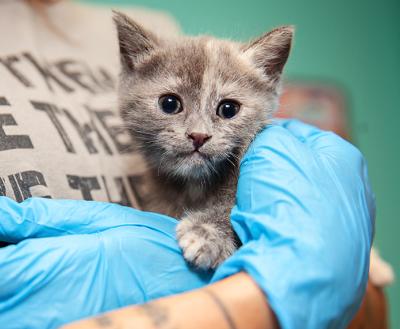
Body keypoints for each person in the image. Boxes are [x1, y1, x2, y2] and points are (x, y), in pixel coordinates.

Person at [0, 1, 378, 329]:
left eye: (227, 110)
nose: (199, 132)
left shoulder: (161, 25)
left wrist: (339, 274)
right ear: (130, 69)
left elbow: (371, 311)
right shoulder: (153, 53)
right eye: (170, 104)